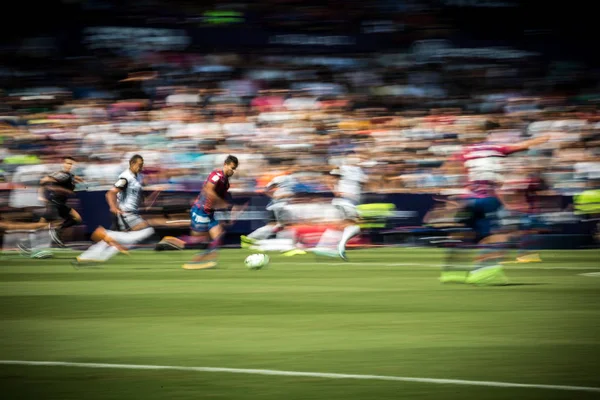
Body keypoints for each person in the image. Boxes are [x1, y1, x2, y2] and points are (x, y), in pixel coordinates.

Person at [439, 134, 549, 285]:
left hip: (468, 198)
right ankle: (482, 272)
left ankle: (451, 273)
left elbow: (448, 168)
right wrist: (541, 139)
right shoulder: (496, 149)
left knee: (462, 233)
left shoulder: (466, 152)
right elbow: (522, 145)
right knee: (498, 235)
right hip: (489, 198)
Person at [74, 154, 157, 265]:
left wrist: (155, 193)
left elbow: (143, 202)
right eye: (139, 164)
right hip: (124, 214)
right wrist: (113, 208)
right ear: (132, 163)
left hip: (131, 213)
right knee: (144, 231)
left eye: (142, 165)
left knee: (125, 241)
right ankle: (102, 236)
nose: (141, 167)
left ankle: (89, 257)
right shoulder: (125, 178)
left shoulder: (136, 178)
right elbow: (110, 193)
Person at [182, 155, 239, 270]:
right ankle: (174, 242)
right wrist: (223, 203)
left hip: (209, 212)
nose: (232, 171)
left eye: (234, 169)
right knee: (198, 239)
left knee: (218, 235)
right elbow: (208, 190)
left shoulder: (226, 183)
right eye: (231, 168)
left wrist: (226, 212)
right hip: (201, 210)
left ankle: (206, 261)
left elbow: (220, 202)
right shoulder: (216, 175)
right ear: (225, 164)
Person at [38, 156, 84, 247]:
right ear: (63, 164)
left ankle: (57, 232)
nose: (69, 166)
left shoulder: (69, 175)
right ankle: (27, 242)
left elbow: (72, 177)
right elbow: (43, 181)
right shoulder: (61, 175)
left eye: (71, 164)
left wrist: (78, 180)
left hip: (61, 203)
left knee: (77, 219)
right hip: (55, 203)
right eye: (67, 163)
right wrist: (40, 196)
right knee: (41, 226)